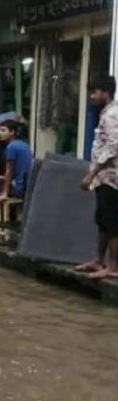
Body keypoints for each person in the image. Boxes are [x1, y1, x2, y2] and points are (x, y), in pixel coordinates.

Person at [76, 75, 118, 280]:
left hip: (111, 177)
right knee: (102, 220)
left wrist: (91, 173)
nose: (93, 96)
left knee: (110, 223)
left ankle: (113, 267)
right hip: (103, 177)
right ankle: (99, 260)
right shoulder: (106, 113)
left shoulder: (112, 115)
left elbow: (112, 147)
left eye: (95, 92)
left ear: (106, 92)